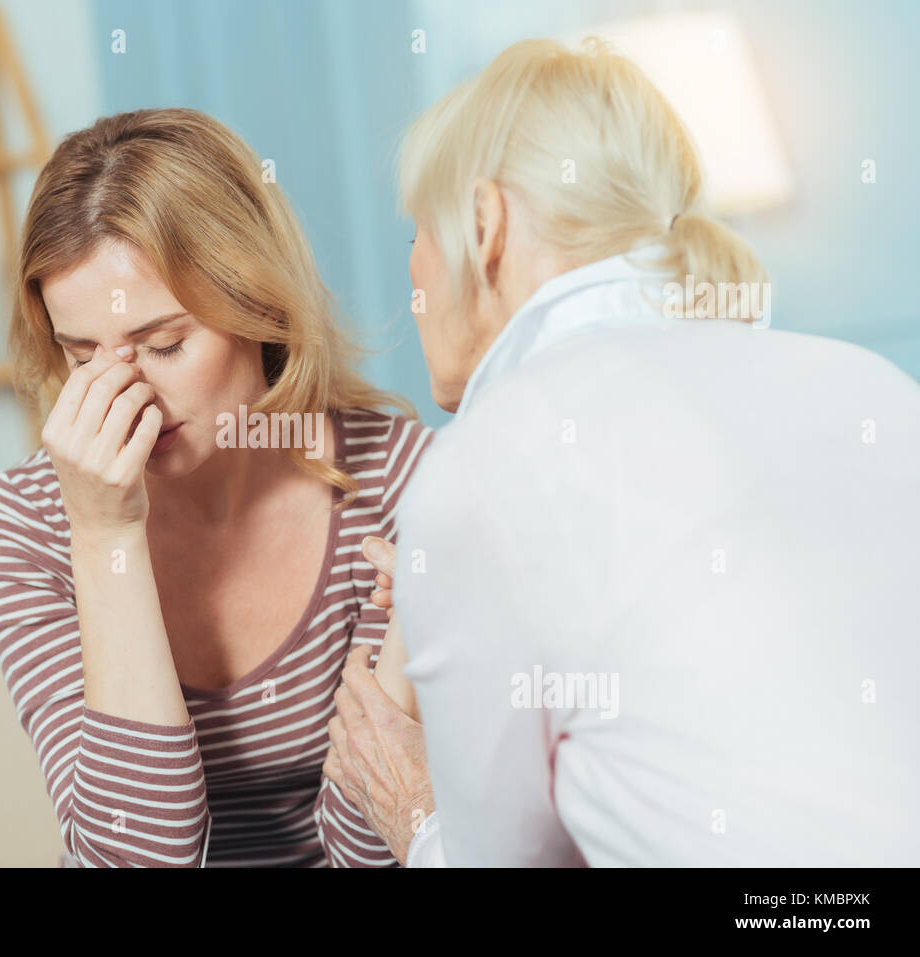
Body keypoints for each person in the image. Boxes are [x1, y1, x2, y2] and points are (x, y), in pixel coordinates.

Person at [323, 37, 920, 866]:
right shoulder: (877, 387)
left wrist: (413, 808)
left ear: (485, 223)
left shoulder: (482, 468)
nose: (413, 275)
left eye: (417, 233)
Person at [0, 107, 434, 866]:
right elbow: (136, 857)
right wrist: (106, 535)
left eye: (165, 344)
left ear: (261, 308)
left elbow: (376, 845)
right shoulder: (23, 526)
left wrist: (422, 614)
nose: (125, 393)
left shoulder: (403, 482)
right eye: (84, 355)